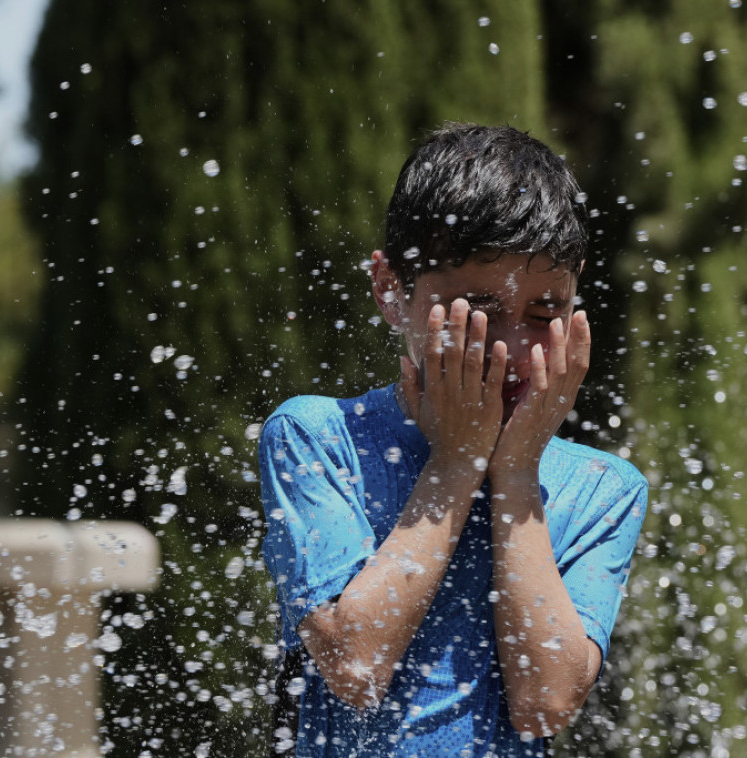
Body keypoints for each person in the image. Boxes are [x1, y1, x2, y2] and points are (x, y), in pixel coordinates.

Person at [259, 123, 647, 757]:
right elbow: (355, 666)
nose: (514, 349)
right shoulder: (317, 438)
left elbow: (545, 704)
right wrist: (458, 463)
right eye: (480, 311)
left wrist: (516, 475)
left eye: (545, 314)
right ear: (390, 290)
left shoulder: (602, 488)